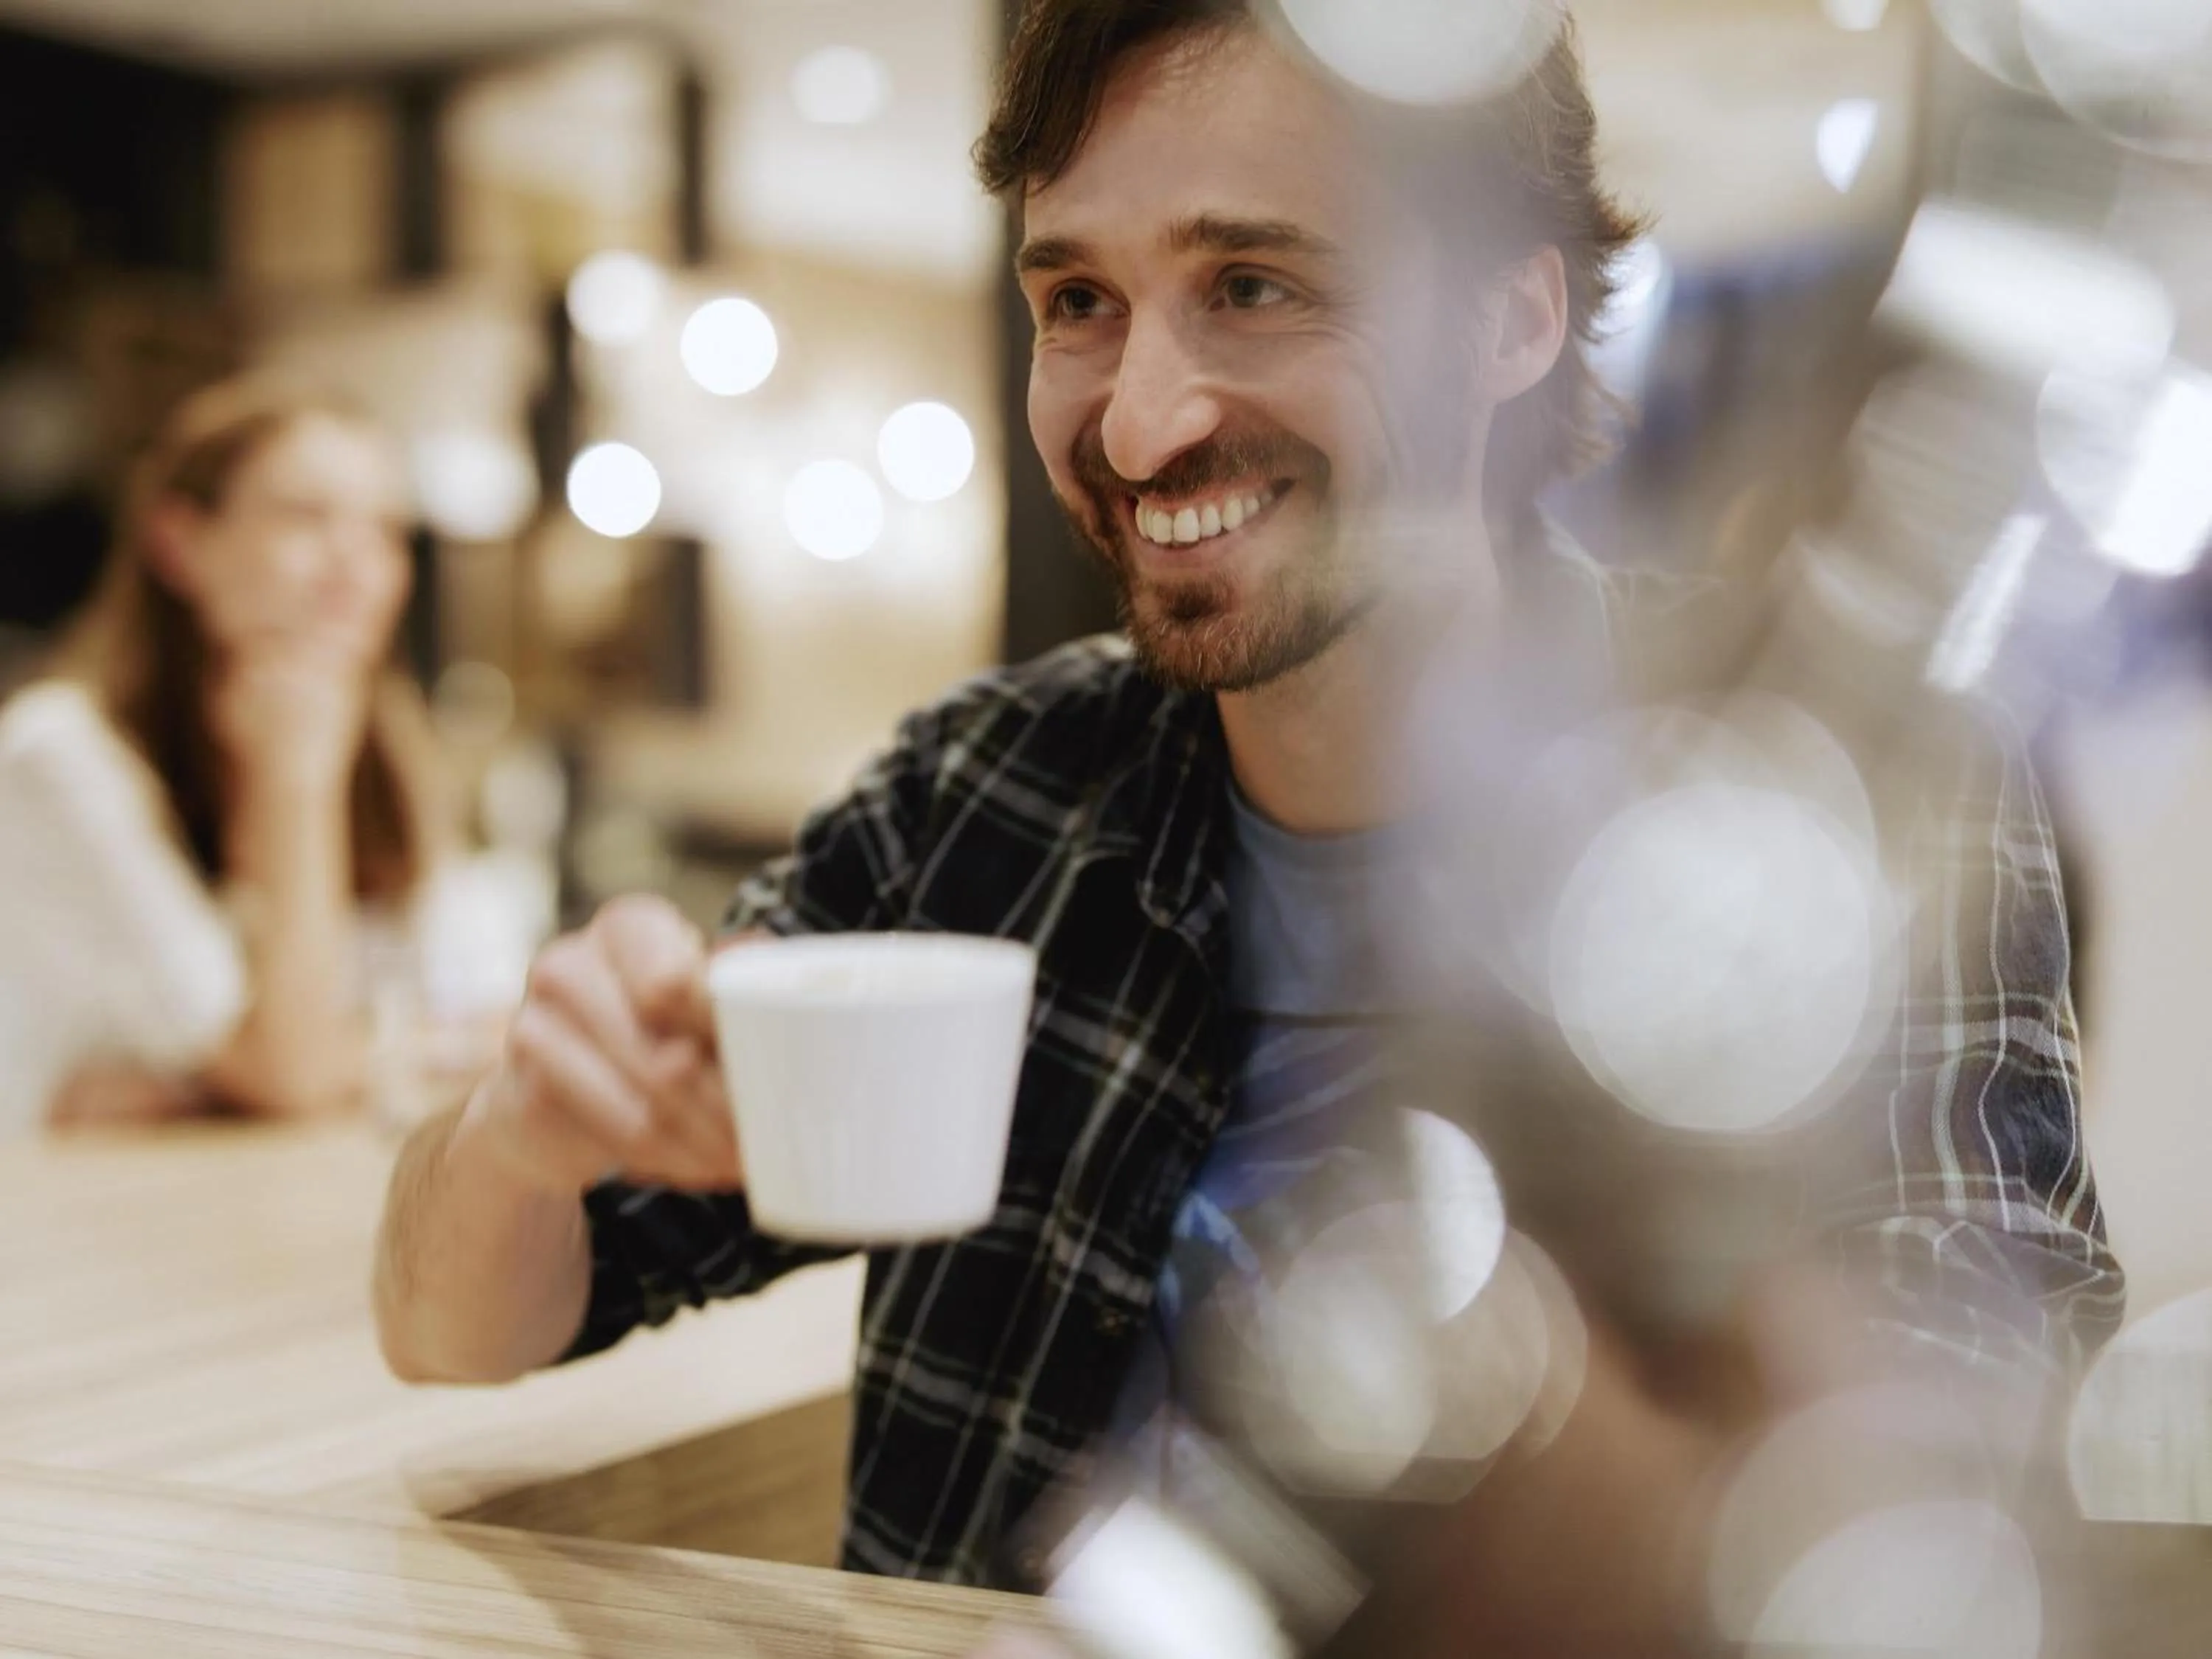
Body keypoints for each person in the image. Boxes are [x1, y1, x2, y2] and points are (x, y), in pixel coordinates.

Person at [373, 0, 2123, 1599]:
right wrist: (530, 1124)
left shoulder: (1805, 795)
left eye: (1253, 285)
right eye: (1077, 303)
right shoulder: (978, 800)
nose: (1139, 423)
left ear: (1511, 317)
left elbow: (1962, 1426)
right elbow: (449, 1326)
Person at [0, 378, 445, 1128]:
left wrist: (205, 1090)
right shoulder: (57, 756)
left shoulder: (384, 741)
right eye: (306, 518)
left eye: (384, 532)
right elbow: (290, 1068)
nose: (354, 566)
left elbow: (477, 1010)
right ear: (180, 544)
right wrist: (296, 783)